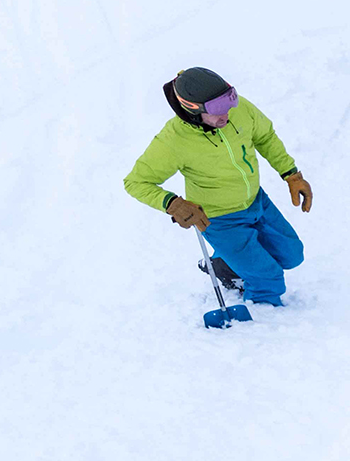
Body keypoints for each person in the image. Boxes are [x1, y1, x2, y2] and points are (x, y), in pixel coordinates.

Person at [123, 67, 313, 307]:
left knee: (292, 255)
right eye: (216, 110)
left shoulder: (239, 110)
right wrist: (173, 204)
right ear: (192, 110)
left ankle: (226, 264)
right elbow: (136, 182)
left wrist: (291, 175)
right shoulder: (173, 140)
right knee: (268, 278)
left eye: (229, 103)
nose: (226, 115)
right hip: (220, 219)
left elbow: (265, 137)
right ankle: (264, 323)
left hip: (257, 202)